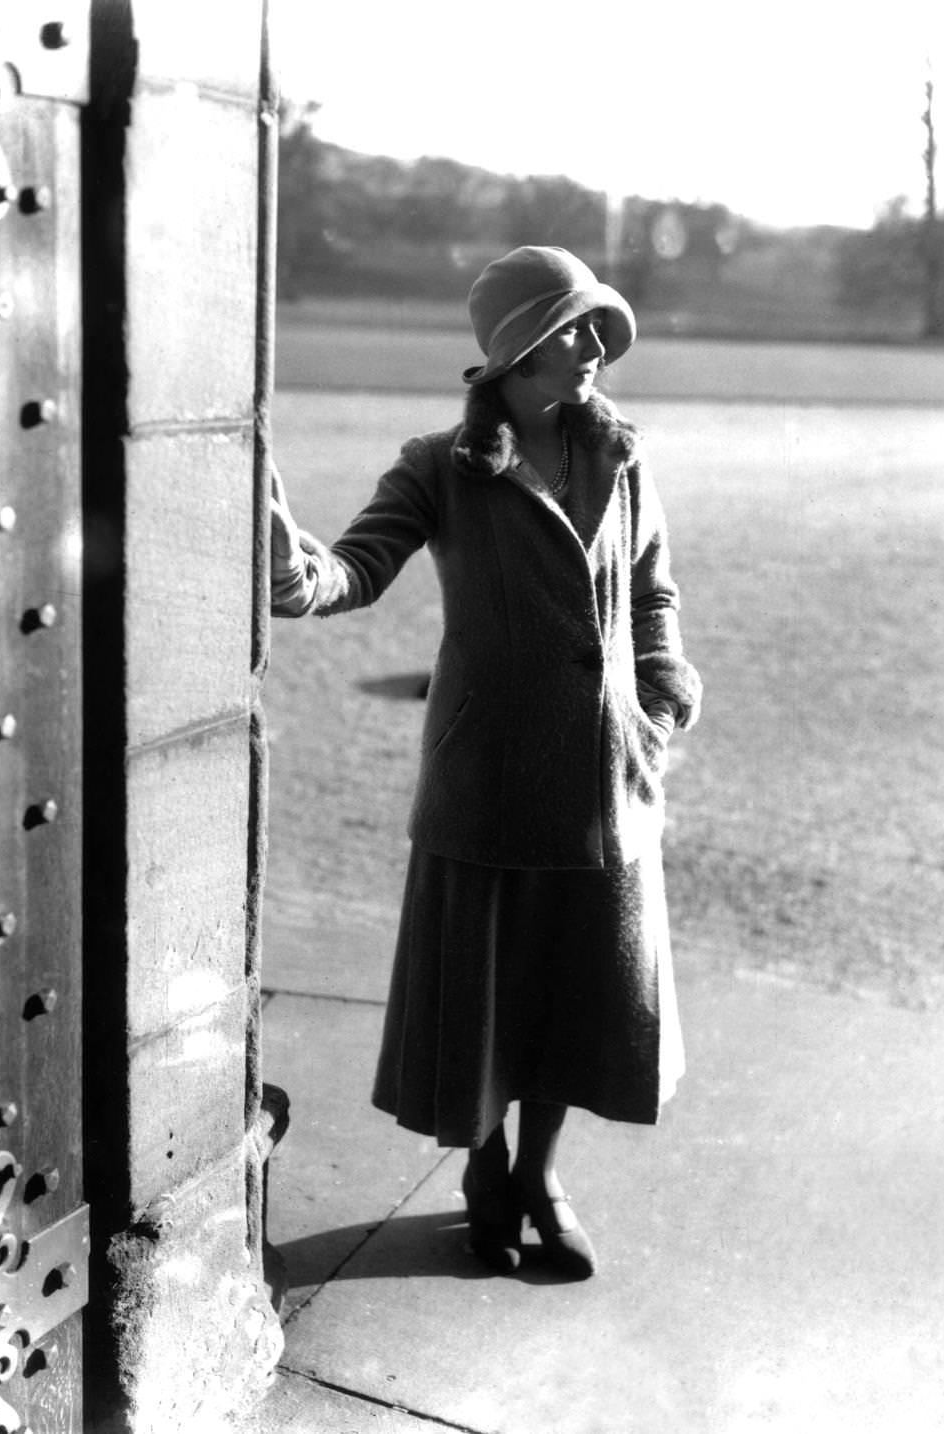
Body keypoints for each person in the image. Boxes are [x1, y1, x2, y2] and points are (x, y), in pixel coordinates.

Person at [270, 246, 702, 1280]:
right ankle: (484, 1170)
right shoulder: (438, 466)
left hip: (608, 779)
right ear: (513, 352)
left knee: (577, 987)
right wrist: (291, 569)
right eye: (571, 327)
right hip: (489, 781)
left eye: (601, 324)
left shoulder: (623, 458)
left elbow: (650, 591)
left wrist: (663, 680)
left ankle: (539, 1177)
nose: (595, 345)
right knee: (487, 996)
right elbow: (351, 571)